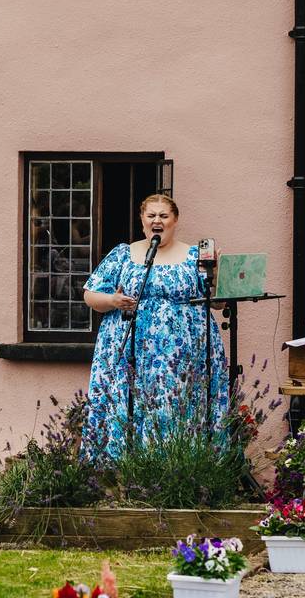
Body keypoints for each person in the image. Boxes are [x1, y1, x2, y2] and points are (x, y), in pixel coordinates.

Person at [81, 194, 229, 461]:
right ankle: (123, 471)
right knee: (129, 405)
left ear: (175, 220)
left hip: (182, 356)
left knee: (177, 405)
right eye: (151, 215)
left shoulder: (195, 256)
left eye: (163, 215)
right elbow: (91, 296)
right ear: (142, 221)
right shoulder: (124, 254)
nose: (157, 220)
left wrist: (216, 274)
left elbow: (217, 304)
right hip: (131, 351)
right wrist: (114, 300)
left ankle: (179, 468)